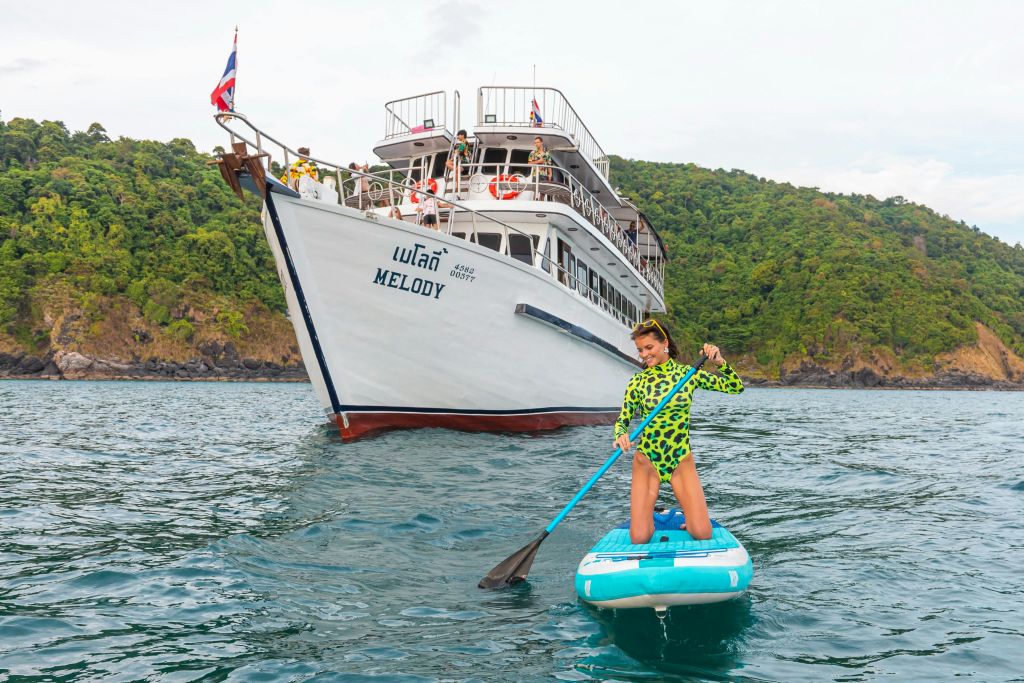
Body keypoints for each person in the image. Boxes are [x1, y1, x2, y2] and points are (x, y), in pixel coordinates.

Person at [613, 319, 744, 544]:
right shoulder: (637, 381)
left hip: (680, 460)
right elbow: (622, 421)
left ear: (664, 343)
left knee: (702, 533)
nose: (644, 354)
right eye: (640, 350)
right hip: (648, 461)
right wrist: (621, 435)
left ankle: (690, 518)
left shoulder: (688, 375)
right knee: (640, 537)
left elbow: (735, 387)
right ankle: (648, 518)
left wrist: (720, 362)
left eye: (649, 348)